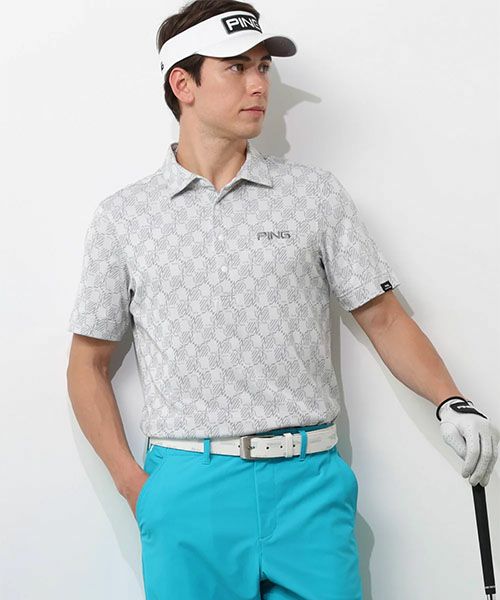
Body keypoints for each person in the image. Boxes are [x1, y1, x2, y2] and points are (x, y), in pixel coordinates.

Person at [66, 1, 499, 598]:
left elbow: (384, 318)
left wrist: (451, 402)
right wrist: (133, 485)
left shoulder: (314, 196)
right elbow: (86, 363)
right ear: (183, 84)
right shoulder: (124, 218)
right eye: (237, 67)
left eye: (263, 67)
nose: (258, 85)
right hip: (187, 490)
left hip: (309, 485)